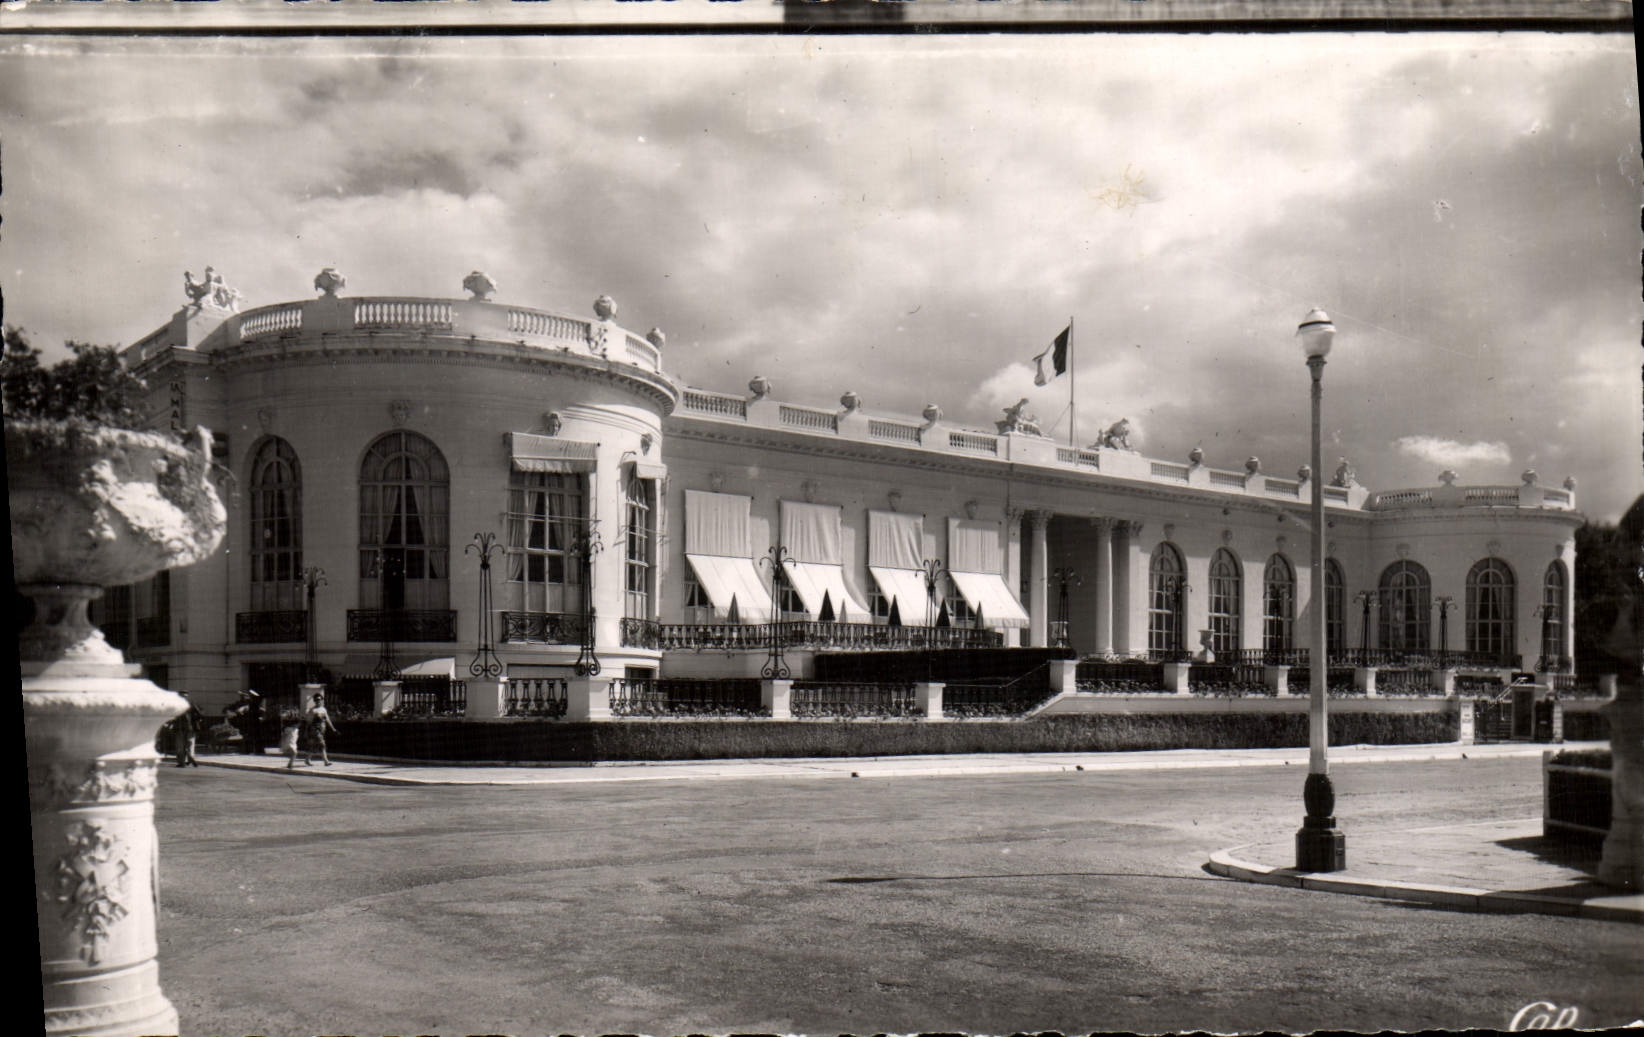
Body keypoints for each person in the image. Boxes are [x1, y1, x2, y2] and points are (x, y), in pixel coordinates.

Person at [302, 692, 337, 767]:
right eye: (317, 700)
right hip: (315, 730)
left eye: (320, 700)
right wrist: (306, 731)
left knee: (313, 745)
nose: (318, 701)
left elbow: (327, 719)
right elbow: (309, 722)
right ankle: (326, 761)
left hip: (322, 729)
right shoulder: (312, 710)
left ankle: (307, 759)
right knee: (322, 744)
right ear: (314, 701)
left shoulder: (323, 709)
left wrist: (332, 728)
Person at [171, 692, 204, 768]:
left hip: (183, 728)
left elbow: (200, 715)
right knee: (187, 745)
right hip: (186, 728)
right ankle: (188, 759)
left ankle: (183, 761)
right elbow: (200, 715)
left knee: (182, 745)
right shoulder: (190, 705)